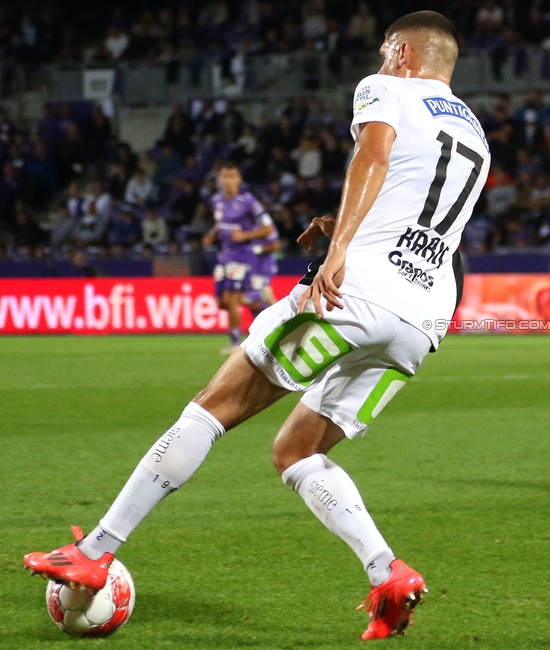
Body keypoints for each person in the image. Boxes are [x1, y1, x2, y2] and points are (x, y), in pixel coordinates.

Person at [25, 11, 488, 641]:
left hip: (357, 291)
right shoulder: (477, 134)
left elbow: (373, 155)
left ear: (403, 52)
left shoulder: (386, 88)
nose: (381, 58)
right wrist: (350, 228)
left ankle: (96, 550)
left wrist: (341, 249)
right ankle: (387, 572)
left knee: (213, 406)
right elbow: (422, 208)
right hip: (424, 314)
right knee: (296, 450)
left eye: (385, 49)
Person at [201, 163, 276, 354]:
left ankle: (235, 342)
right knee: (221, 302)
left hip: (242, 256)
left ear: (239, 179)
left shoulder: (248, 201)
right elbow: (221, 224)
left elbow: (269, 228)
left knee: (231, 299)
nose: (227, 180)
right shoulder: (216, 200)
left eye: (231, 176)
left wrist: (245, 236)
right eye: (224, 176)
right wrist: (212, 234)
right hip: (224, 256)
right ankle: (260, 299)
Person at [245, 226, 282, 315]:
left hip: (262, 269)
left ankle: (280, 317)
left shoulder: (266, 226)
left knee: (255, 301)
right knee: (255, 302)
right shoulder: (246, 225)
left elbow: (277, 245)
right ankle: (264, 325)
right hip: (251, 269)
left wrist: (260, 249)